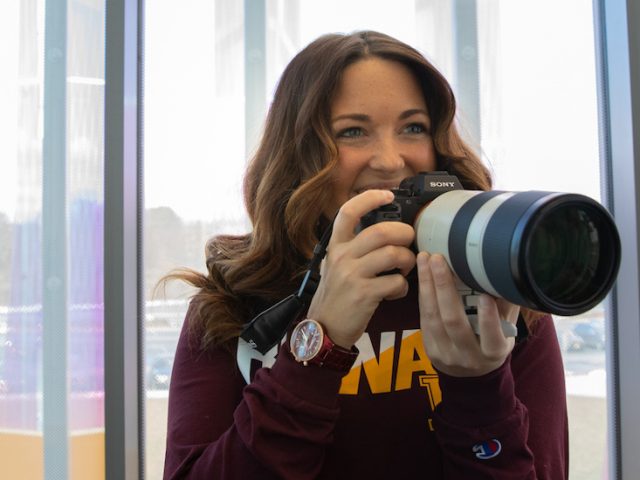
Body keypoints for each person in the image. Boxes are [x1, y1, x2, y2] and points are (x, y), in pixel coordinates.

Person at [163, 30, 568, 479]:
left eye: (413, 127)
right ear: (297, 155)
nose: (390, 160)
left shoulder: (497, 289)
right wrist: (318, 346)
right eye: (352, 132)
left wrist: (479, 388)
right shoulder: (232, 302)